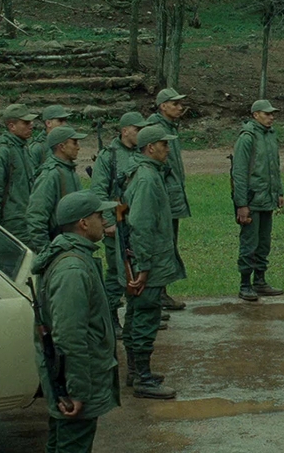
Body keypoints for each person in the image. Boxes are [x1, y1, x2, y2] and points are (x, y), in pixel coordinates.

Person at [32, 190, 121, 452]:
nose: (105, 220)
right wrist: (77, 391)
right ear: (83, 223)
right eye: (98, 215)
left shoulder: (75, 258)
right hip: (76, 382)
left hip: (70, 379)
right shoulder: (73, 270)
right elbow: (69, 337)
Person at [121, 124, 181, 399]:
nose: (168, 149)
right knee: (145, 316)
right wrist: (144, 267)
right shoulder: (146, 179)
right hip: (149, 262)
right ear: (149, 148)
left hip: (148, 259)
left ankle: (136, 372)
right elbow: (141, 225)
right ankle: (142, 378)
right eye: (164, 144)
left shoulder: (148, 173)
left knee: (137, 315)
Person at [91, 111, 148, 328]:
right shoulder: (109, 156)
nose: (140, 134)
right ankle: (112, 316)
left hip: (136, 218)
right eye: (137, 129)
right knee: (116, 272)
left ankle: (136, 314)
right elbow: (99, 191)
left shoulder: (140, 152)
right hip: (119, 214)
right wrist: (109, 222)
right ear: (125, 131)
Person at [232, 99, 284, 301]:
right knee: (249, 242)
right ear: (255, 115)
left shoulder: (271, 135)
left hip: (267, 198)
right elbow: (239, 172)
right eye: (267, 113)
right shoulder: (247, 137)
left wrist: (279, 192)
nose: (271, 117)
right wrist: (241, 204)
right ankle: (245, 283)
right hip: (252, 200)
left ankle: (260, 281)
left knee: (264, 242)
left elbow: (275, 166)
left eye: (272, 114)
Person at [146, 88, 191, 311]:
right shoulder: (155, 129)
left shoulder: (168, 127)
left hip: (170, 196)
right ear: (163, 106)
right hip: (161, 197)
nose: (180, 107)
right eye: (175, 103)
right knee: (161, 245)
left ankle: (161, 293)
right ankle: (157, 295)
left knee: (169, 244)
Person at [0, 103, 40, 247]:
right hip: (12, 224)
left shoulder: (23, 148)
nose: (31, 125)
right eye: (25, 122)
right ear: (12, 126)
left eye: (31, 122)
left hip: (26, 221)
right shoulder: (1, 151)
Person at [28, 126, 89, 252]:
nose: (78, 147)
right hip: (58, 244)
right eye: (74, 142)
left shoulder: (69, 171)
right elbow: (36, 217)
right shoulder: (50, 175)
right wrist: (46, 251)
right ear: (62, 147)